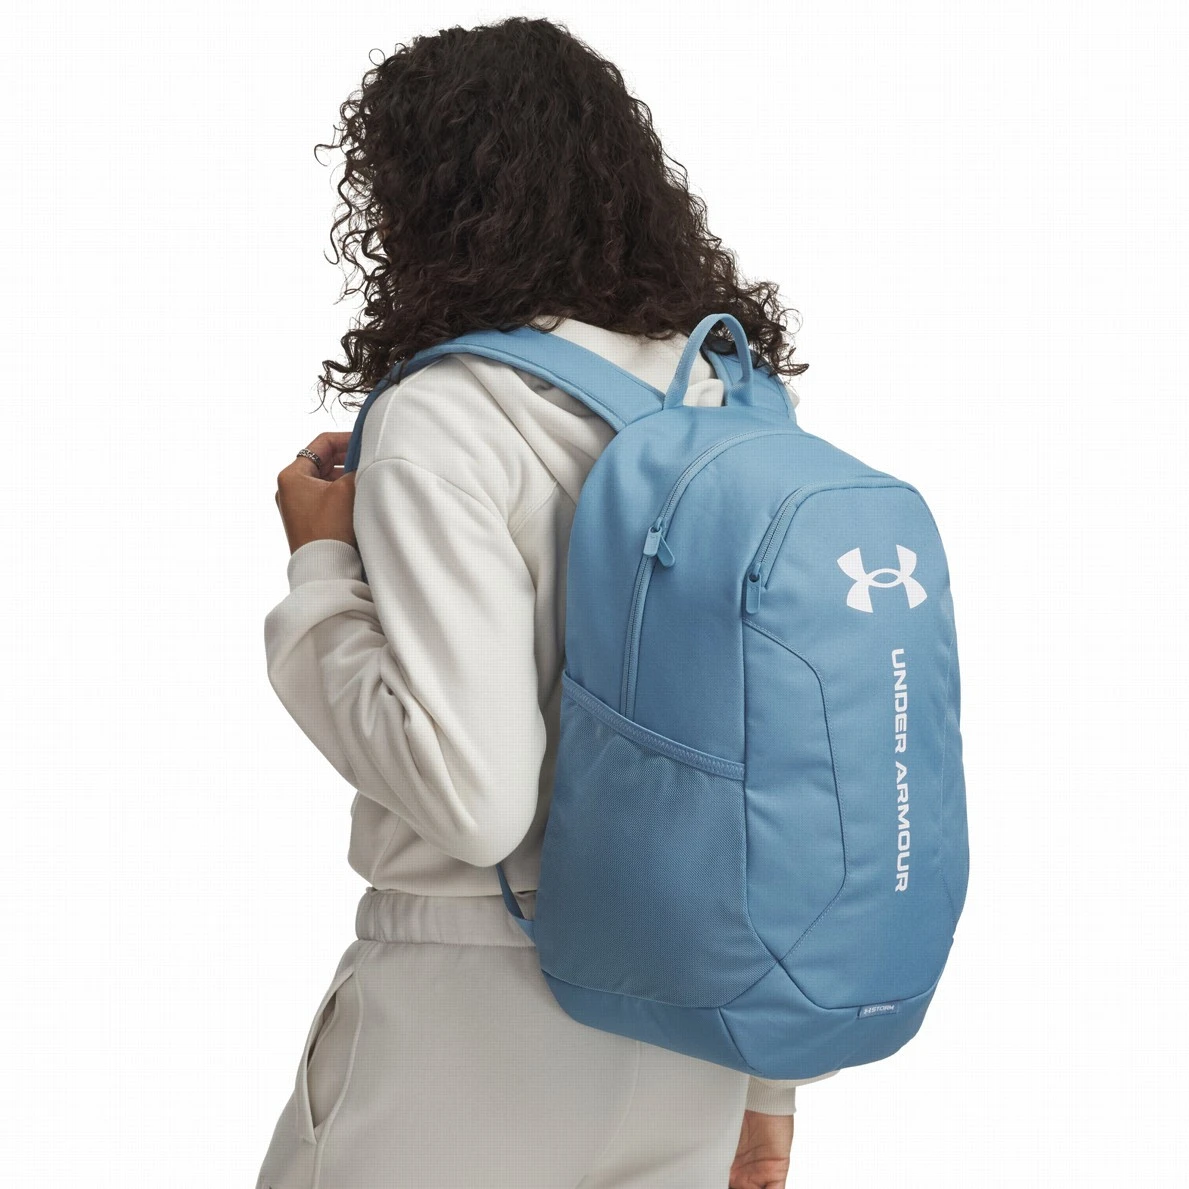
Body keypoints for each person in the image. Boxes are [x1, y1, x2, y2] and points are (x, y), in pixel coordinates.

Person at [254, 16, 835, 1189]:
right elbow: (781, 765)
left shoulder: (451, 411)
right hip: (701, 1016)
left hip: (472, 1020)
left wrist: (319, 570)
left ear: (418, 202)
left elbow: (475, 804)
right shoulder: (729, 402)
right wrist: (767, 1089)